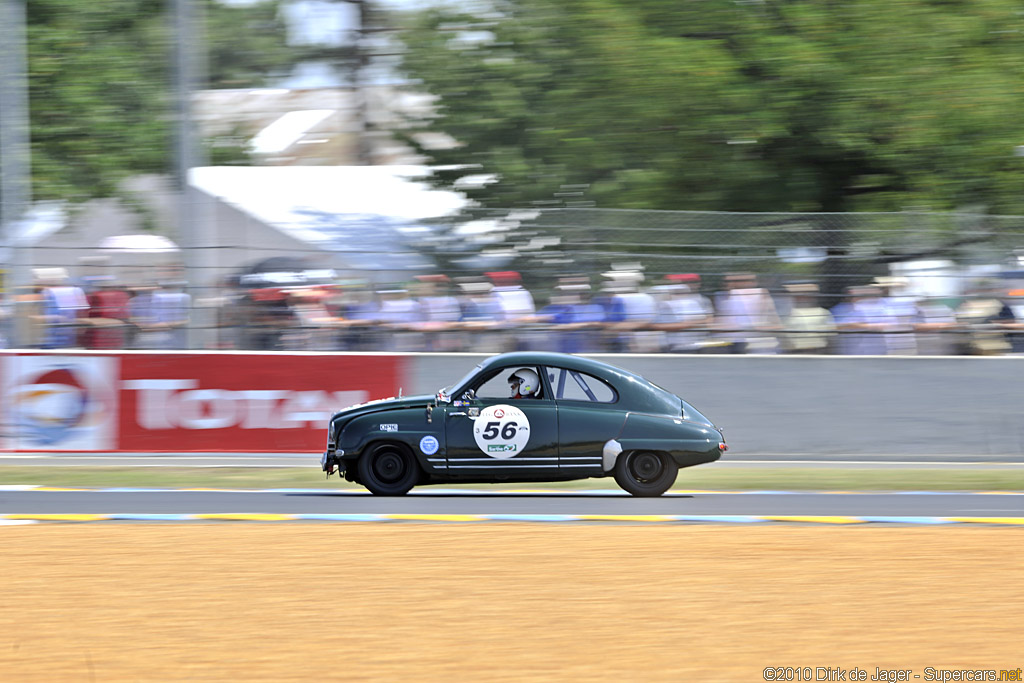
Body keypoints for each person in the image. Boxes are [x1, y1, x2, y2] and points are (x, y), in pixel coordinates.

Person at [780, 282, 835, 354]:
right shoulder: (785, 313)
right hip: (792, 353)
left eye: (805, 294)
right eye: (797, 295)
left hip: (817, 352)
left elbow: (831, 336)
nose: (802, 297)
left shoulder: (823, 313)